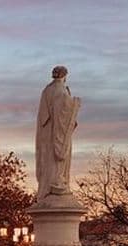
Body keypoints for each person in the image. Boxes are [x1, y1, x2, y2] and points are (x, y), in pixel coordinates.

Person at [36, 65, 81, 201]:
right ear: (65, 76)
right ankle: (57, 182)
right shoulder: (61, 91)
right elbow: (63, 111)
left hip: (45, 134)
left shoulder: (46, 90)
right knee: (57, 160)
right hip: (57, 132)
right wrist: (75, 104)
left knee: (47, 159)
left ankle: (48, 185)